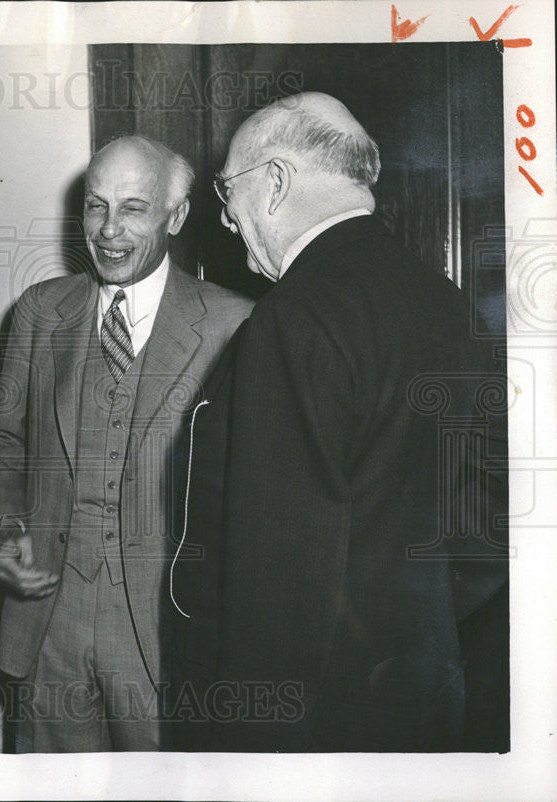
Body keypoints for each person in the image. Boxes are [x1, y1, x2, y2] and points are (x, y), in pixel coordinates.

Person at [170, 92, 508, 751]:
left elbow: (277, 574)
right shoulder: (447, 303)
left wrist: (253, 750)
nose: (228, 220)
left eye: (227, 192)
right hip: (429, 695)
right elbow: (490, 513)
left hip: (314, 721)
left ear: (274, 182)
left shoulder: (293, 319)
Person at [0, 135, 253, 751]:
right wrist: (5, 528)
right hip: (48, 618)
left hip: (166, 632)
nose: (108, 230)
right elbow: (1, 439)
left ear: (175, 216)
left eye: (132, 208)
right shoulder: (37, 312)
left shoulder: (235, 325)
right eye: (96, 206)